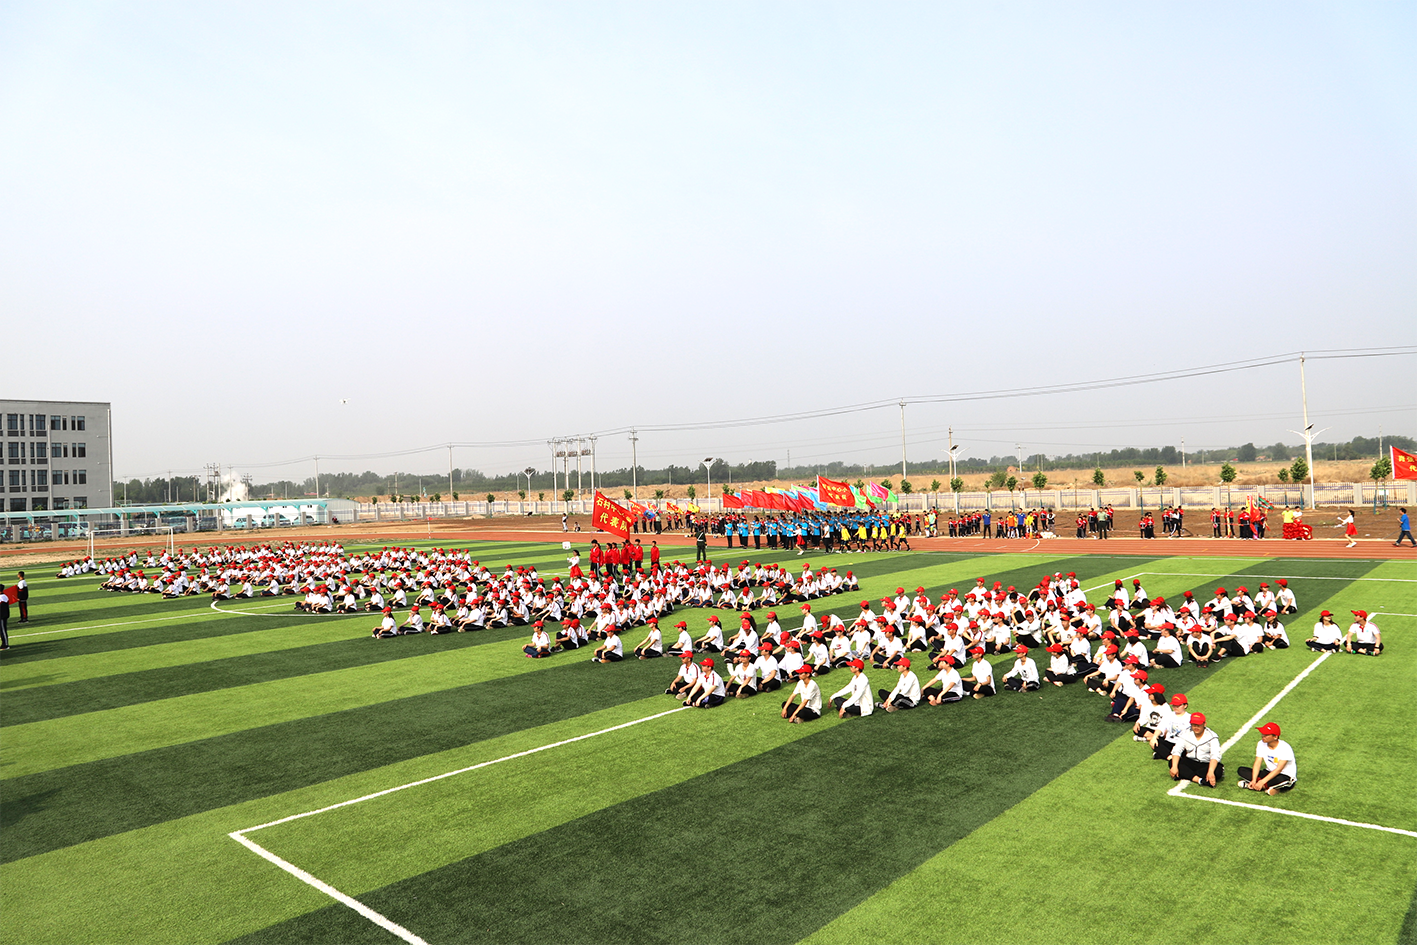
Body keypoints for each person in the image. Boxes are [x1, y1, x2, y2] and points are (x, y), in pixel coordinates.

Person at [1237, 722, 1297, 795]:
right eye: (1263, 734)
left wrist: (1262, 781)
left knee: (1282, 780)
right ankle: (1265, 786)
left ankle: (1258, 786)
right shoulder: (1261, 743)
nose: (1263, 736)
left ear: (1275, 737)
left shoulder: (1285, 748)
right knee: (1241, 770)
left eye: (1266, 735)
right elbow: (1258, 762)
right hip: (1268, 772)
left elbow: (1279, 769)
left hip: (1283, 775)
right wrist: (1254, 779)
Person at [1170, 712, 1224, 787]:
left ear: (1204, 724)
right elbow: (1177, 750)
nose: (1196, 727)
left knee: (1218, 771)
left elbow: (1215, 755)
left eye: (1198, 725)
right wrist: (1174, 766)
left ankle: (1186, 774)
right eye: (1193, 725)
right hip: (1190, 761)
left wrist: (1210, 771)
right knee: (1172, 763)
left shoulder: (1212, 737)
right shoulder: (1185, 733)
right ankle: (1199, 780)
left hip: (1206, 763)